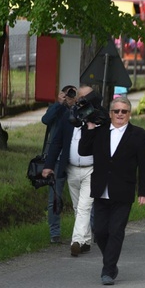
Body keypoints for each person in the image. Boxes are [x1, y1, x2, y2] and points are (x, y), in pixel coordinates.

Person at [79, 96, 145, 285]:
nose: (120, 114)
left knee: (116, 230)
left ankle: (108, 270)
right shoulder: (100, 131)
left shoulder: (139, 135)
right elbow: (83, 150)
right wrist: (89, 128)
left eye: (124, 111)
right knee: (100, 231)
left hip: (123, 191)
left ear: (129, 114)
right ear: (110, 114)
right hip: (101, 190)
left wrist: (144, 192)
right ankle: (110, 262)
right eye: (116, 111)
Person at [43, 85, 98, 257]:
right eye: (74, 95)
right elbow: (56, 141)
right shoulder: (66, 115)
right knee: (76, 206)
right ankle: (85, 241)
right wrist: (48, 165)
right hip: (69, 168)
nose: (77, 98)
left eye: (80, 96)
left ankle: (76, 241)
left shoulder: (96, 115)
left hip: (91, 169)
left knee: (84, 206)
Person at [40, 85, 77, 244]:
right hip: (56, 160)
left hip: (75, 160)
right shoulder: (58, 109)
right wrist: (58, 103)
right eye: (67, 93)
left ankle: (85, 231)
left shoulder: (80, 110)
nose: (70, 96)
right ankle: (54, 233)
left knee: (83, 198)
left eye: (73, 93)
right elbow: (45, 120)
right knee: (54, 198)